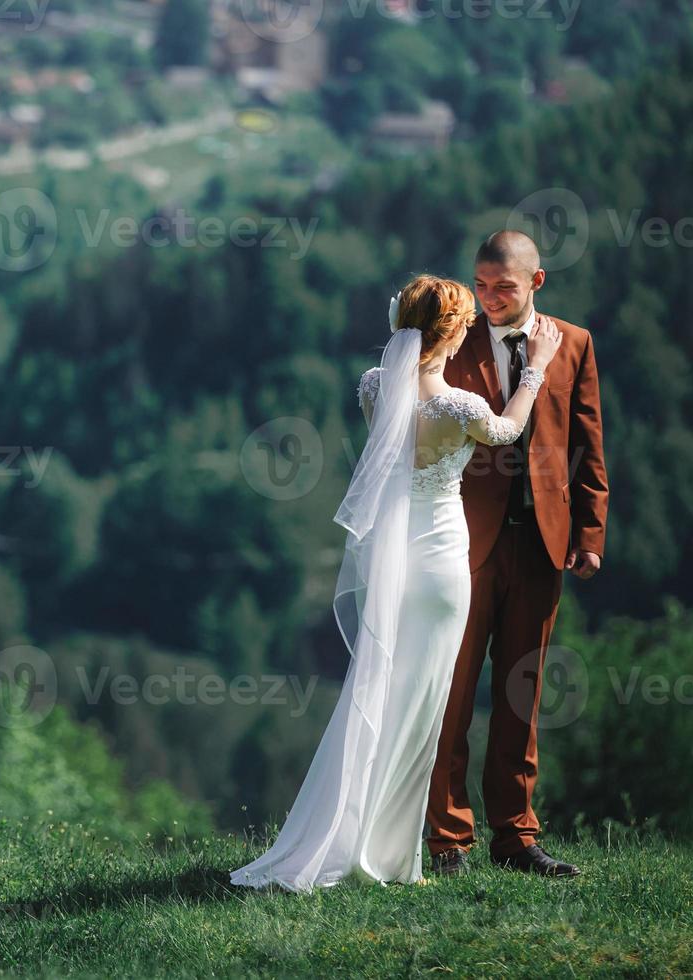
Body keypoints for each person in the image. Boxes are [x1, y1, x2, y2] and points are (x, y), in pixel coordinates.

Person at [230, 274, 561, 891]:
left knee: (379, 691)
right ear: (454, 331)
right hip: (438, 563)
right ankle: (390, 854)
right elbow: (509, 431)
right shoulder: (457, 408)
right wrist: (536, 368)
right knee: (423, 704)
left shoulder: (374, 389)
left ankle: (366, 841)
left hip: (392, 557)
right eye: (464, 324)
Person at [424, 230, 608, 878]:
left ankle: (516, 837)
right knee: (452, 694)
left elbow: (588, 443)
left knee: (520, 695)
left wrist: (589, 535)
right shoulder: (454, 339)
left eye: (502, 286)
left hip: (541, 547)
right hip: (463, 545)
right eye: (480, 283)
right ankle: (448, 840)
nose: (489, 297)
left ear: (537, 281)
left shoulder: (575, 344)